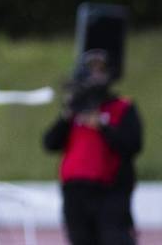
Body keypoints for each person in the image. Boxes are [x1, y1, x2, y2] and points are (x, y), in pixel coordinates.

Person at [42, 49, 143, 245]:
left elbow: (132, 145)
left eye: (100, 71)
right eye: (91, 71)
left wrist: (102, 126)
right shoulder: (74, 111)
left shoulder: (122, 107)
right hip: (76, 192)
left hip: (110, 192)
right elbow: (50, 143)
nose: (96, 76)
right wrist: (67, 115)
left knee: (114, 238)